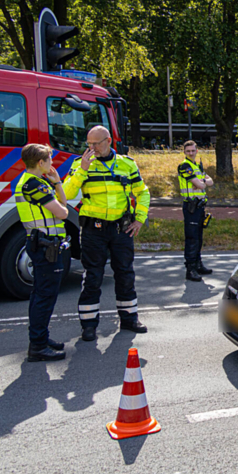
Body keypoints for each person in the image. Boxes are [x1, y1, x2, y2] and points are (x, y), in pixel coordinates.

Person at [63, 125, 151, 340]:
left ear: (109, 141)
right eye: (89, 144)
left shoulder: (126, 164)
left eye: (96, 144)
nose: (92, 148)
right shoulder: (80, 163)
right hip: (93, 229)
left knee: (125, 273)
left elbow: (142, 192)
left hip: (121, 228)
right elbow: (66, 194)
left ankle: (129, 319)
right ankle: (88, 325)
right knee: (93, 276)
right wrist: (82, 170)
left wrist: (139, 219)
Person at [15, 144, 69, 362]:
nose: (52, 163)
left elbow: (62, 206)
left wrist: (57, 183)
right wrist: (56, 187)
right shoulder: (34, 185)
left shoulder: (35, 182)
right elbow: (63, 212)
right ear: (40, 162)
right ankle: (37, 345)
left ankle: (41, 338)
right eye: (49, 160)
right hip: (45, 245)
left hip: (43, 244)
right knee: (44, 296)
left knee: (42, 294)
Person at [178, 140, 214, 282]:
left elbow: (210, 182)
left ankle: (198, 265)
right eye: (188, 151)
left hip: (199, 206)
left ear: (197, 151)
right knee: (192, 238)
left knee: (198, 237)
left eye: (193, 150)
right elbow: (201, 184)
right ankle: (190, 269)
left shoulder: (197, 166)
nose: (191, 153)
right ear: (184, 152)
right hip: (191, 206)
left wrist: (201, 183)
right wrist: (202, 183)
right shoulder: (184, 166)